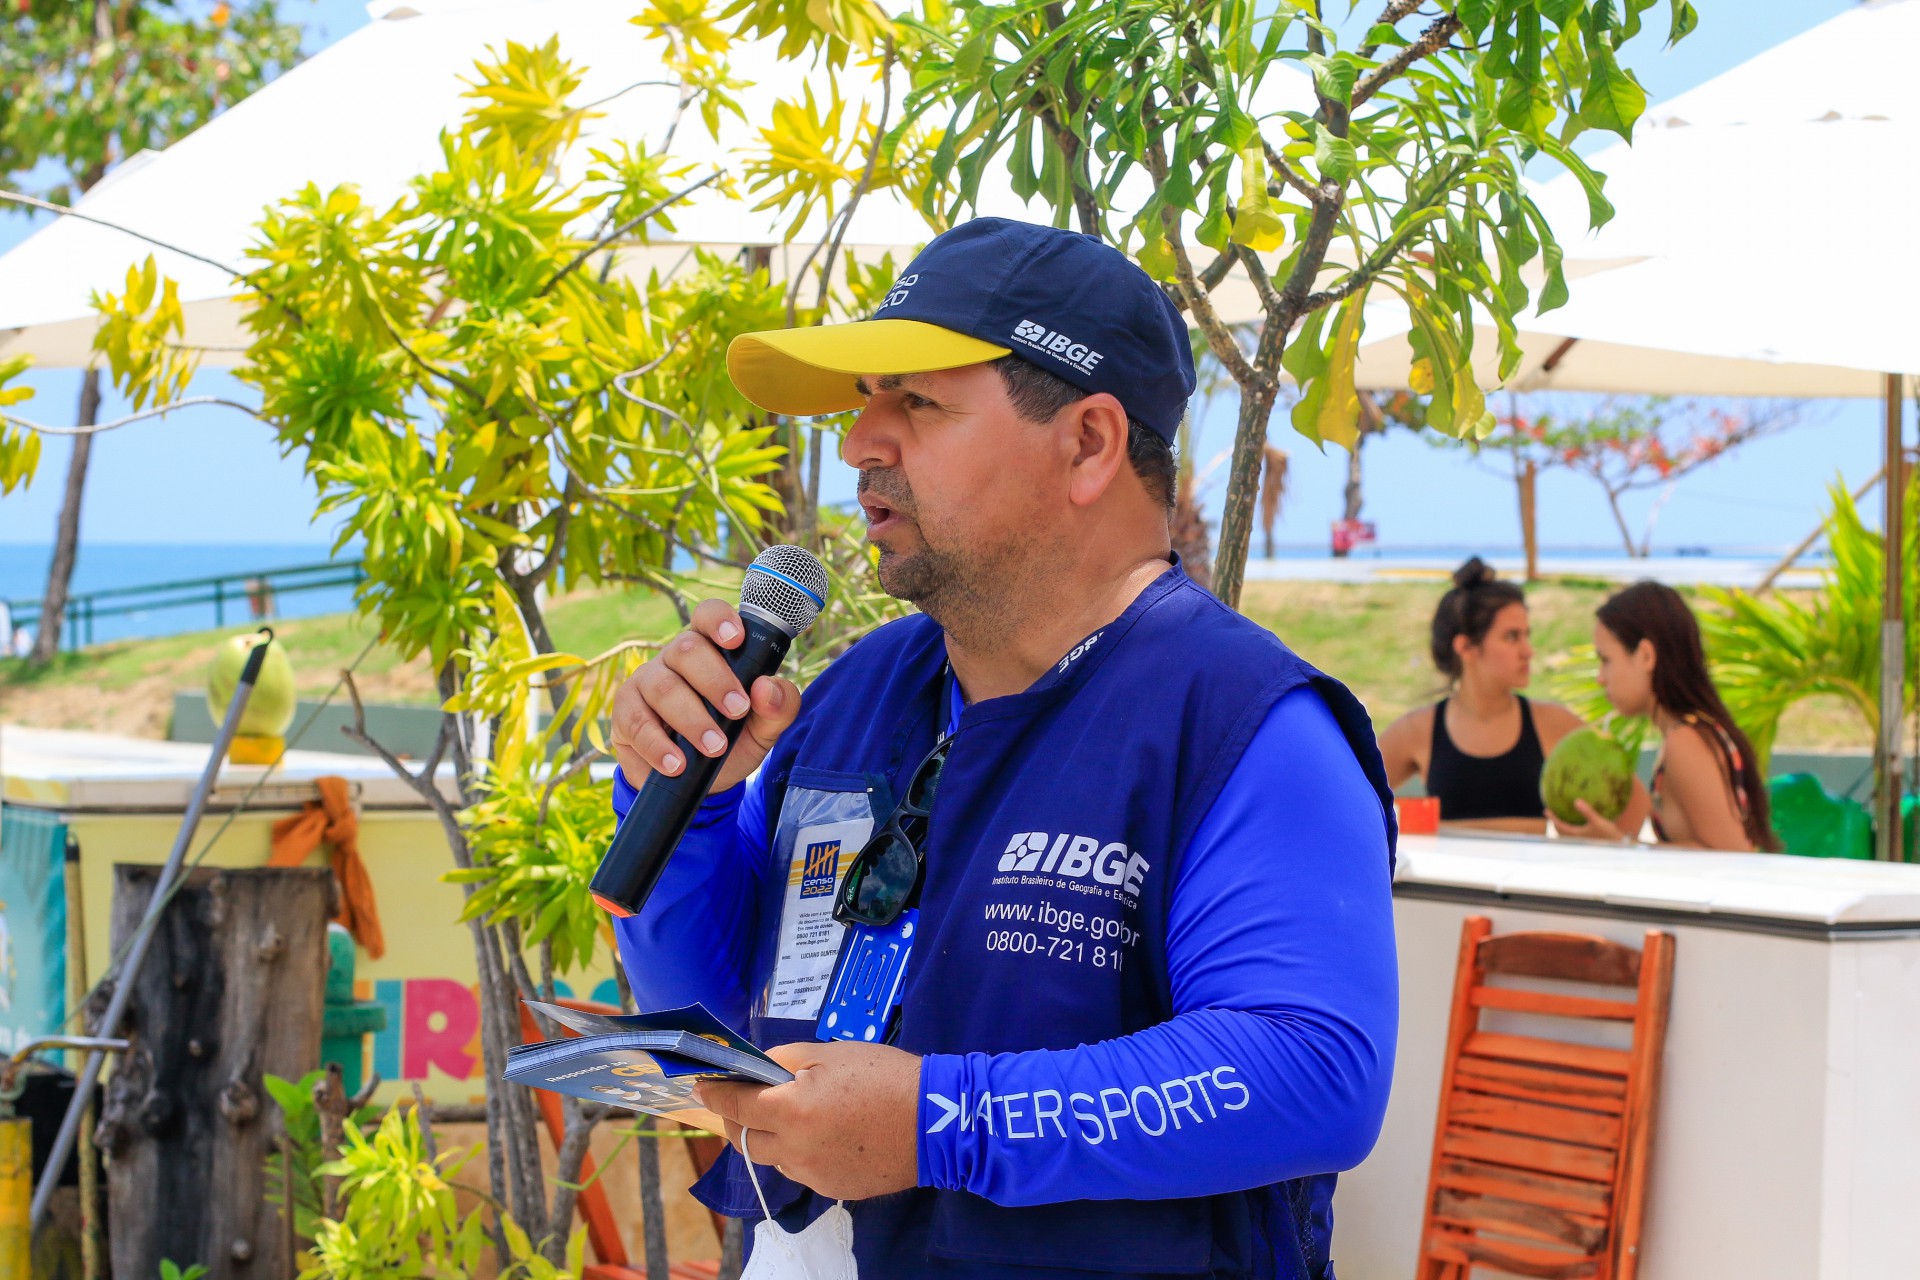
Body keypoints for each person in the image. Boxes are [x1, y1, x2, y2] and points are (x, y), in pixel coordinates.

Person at [605, 217, 1398, 1279]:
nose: (859, 443)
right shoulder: (847, 698)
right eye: (862, 400)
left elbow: (1315, 1069)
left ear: (1087, 443)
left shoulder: (1245, 721)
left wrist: (940, 1122)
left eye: (916, 401)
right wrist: (683, 798)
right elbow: (699, 1010)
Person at [1377, 558, 1647, 835]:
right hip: (1445, 879)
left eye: (1527, 635)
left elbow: (1637, 802)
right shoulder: (1418, 730)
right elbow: (1353, 795)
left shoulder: (1553, 723)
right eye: (1511, 637)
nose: (1528, 650)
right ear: (1466, 647)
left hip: (1531, 879)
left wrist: (1609, 847)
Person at [1564, 580, 1777, 851]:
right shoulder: (1687, 733)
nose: (1600, 679)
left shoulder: (1686, 740)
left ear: (1645, 656)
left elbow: (1731, 856)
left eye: (1606, 660)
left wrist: (1622, 845)